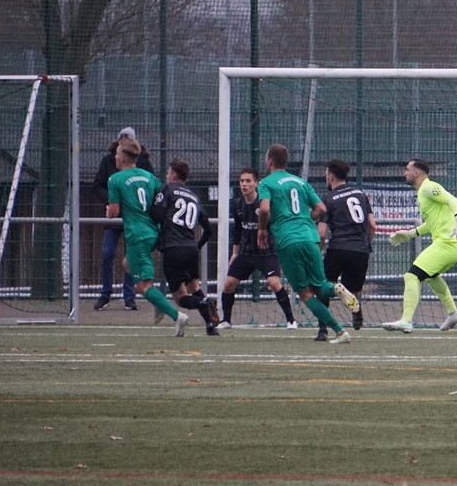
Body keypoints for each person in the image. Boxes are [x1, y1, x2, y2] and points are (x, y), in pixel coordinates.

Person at [256, 143, 359, 345]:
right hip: (310, 237)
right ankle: (337, 289)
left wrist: (261, 229)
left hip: (289, 240)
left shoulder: (266, 183)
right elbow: (321, 208)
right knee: (321, 285)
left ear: (269, 161)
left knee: (305, 292)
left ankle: (340, 331)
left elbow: (265, 209)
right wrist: (305, 219)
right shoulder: (301, 182)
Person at [105, 137, 189, 336]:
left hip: (137, 235)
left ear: (122, 158)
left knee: (143, 286)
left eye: (117, 153)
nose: (115, 157)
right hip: (152, 232)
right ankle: (158, 301)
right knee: (127, 264)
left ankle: (176, 316)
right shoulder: (149, 177)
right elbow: (161, 198)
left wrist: (108, 211)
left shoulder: (115, 179)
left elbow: (114, 213)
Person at [382, 158, 457, 333]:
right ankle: (453, 313)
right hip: (454, 246)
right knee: (430, 276)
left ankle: (406, 321)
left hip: (448, 244)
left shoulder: (429, 188)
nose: (404, 173)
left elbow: (452, 199)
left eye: (407, 170)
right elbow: (431, 224)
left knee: (411, 276)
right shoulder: (423, 193)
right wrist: (410, 234)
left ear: (416, 173)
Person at [217, 167, 297, 330]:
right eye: (242, 181)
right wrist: (235, 253)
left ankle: (291, 320)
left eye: (248, 181)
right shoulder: (238, 205)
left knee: (274, 283)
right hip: (246, 253)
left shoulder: (264, 203)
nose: (244, 184)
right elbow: (238, 230)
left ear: (256, 183)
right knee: (228, 284)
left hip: (267, 252)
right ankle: (226, 320)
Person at [150, 158, 219, 337]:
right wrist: (198, 246)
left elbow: (157, 215)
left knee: (180, 298)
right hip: (190, 248)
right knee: (194, 287)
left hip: (173, 248)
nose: (166, 176)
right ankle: (210, 325)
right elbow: (209, 230)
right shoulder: (194, 196)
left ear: (173, 175)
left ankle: (204, 303)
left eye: (168, 173)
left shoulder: (167, 189)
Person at [92, 126, 154, 311]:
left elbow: (150, 187)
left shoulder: (143, 163)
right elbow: (98, 185)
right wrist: (112, 201)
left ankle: (129, 295)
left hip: (133, 218)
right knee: (107, 252)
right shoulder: (108, 161)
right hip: (115, 218)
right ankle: (105, 293)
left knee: (132, 256)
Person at [315, 158, 376, 342]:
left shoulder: (328, 199)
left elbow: (322, 233)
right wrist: (364, 245)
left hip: (338, 248)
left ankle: (323, 330)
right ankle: (356, 311)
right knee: (353, 289)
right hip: (360, 250)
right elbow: (372, 226)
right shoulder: (361, 194)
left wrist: (318, 251)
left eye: (326, 174)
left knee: (323, 285)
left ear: (331, 176)